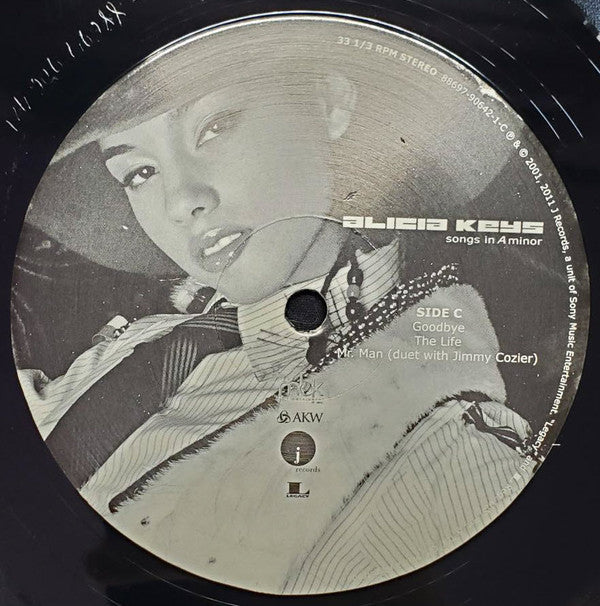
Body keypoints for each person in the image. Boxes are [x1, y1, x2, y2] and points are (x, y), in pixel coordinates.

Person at [15, 21, 540, 595]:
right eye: (139, 172)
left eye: (213, 128)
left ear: (329, 103)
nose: (182, 201)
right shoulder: (146, 342)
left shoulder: (448, 458)